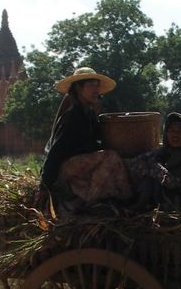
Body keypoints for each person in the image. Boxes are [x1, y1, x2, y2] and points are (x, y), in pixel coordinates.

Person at [33, 67, 132, 211]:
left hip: (81, 166)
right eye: (91, 85)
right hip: (66, 168)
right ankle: (126, 200)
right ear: (79, 89)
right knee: (111, 156)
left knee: (111, 164)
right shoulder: (72, 116)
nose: (96, 90)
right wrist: (44, 186)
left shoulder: (90, 114)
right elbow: (55, 152)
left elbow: (96, 144)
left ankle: (97, 201)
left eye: (97, 86)